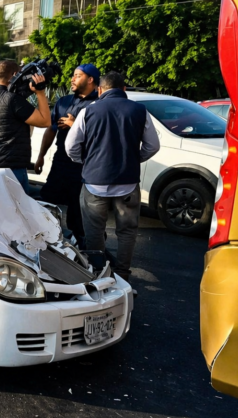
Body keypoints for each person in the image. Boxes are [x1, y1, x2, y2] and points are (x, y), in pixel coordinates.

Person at [65, 71, 160, 280]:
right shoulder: (140, 110)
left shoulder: (88, 111)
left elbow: (71, 146)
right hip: (127, 182)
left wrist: (85, 162)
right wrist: (134, 159)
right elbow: (153, 146)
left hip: (94, 182)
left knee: (94, 231)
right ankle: (123, 274)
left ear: (100, 90)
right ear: (124, 89)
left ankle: (99, 273)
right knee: (127, 232)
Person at [35, 64, 101, 245]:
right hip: (61, 163)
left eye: (77, 76)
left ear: (90, 80)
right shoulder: (63, 102)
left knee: (78, 213)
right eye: (73, 75)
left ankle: (86, 252)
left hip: (83, 167)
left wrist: (75, 126)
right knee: (47, 203)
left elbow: (101, 139)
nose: (72, 79)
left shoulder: (98, 106)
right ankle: (47, 243)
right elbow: (51, 130)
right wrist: (41, 156)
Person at [0, 60, 51, 195]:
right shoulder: (12, 100)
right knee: (17, 213)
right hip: (12, 171)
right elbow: (45, 121)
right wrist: (40, 92)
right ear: (14, 75)